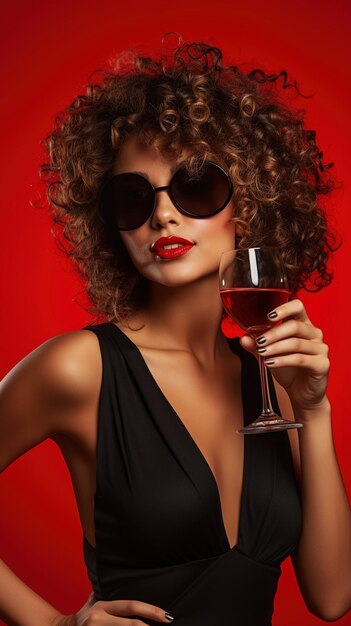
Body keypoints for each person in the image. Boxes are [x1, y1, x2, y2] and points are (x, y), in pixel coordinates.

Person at [1, 37, 350, 626]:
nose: (164, 215)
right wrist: (52, 624)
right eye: (134, 198)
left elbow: (333, 594)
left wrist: (314, 410)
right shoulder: (79, 369)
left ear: (251, 205)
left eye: (195, 187)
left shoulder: (273, 376)